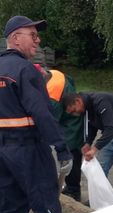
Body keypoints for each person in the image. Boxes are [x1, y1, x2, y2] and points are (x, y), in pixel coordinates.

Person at [0, 16, 72, 213]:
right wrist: (62, 149)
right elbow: (42, 113)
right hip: (29, 151)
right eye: (33, 35)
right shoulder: (25, 70)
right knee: (49, 210)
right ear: (16, 38)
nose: (37, 41)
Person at [62, 91, 113, 190]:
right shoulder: (85, 109)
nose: (75, 114)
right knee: (99, 171)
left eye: (73, 110)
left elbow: (111, 128)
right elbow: (91, 126)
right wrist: (88, 143)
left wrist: (95, 148)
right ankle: (99, 201)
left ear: (78, 101)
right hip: (109, 135)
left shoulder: (101, 102)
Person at [37, 65, 83, 202]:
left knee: (70, 154)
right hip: (71, 117)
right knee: (71, 153)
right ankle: (70, 187)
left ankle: (74, 190)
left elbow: (51, 121)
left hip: (69, 124)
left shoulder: (53, 93)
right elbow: (71, 81)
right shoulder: (54, 73)